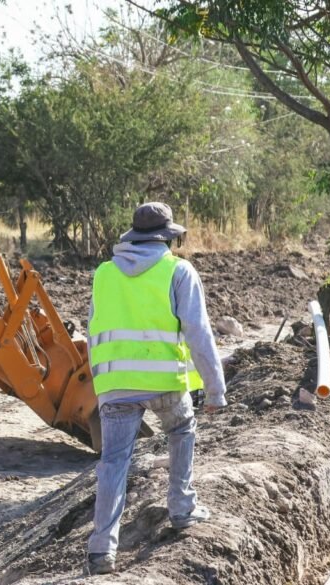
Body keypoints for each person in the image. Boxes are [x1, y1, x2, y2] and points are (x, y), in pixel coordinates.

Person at [85, 202, 227, 575]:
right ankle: (182, 508)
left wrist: (103, 384)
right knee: (181, 429)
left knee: (113, 462)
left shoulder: (103, 274)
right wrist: (215, 390)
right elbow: (199, 333)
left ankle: (101, 549)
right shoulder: (178, 271)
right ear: (167, 238)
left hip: (115, 384)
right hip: (164, 382)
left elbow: (91, 333)